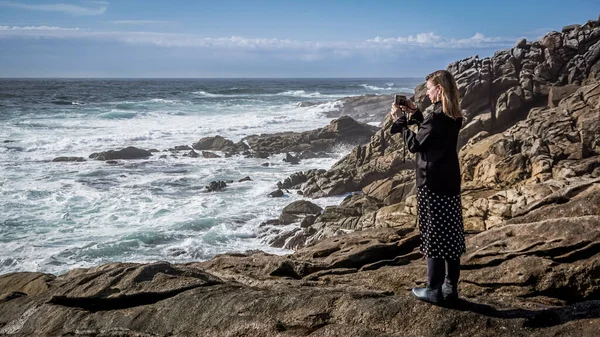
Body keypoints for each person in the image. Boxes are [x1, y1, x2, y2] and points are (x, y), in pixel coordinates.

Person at [389, 70, 465, 304]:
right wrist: (416, 113)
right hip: (450, 182)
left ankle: (433, 290)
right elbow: (432, 134)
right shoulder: (453, 115)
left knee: (433, 234)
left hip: (431, 184)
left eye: (430, 88)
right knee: (451, 236)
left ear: (439, 89)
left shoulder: (437, 118)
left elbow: (415, 144)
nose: (427, 92)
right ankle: (450, 289)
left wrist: (400, 122)